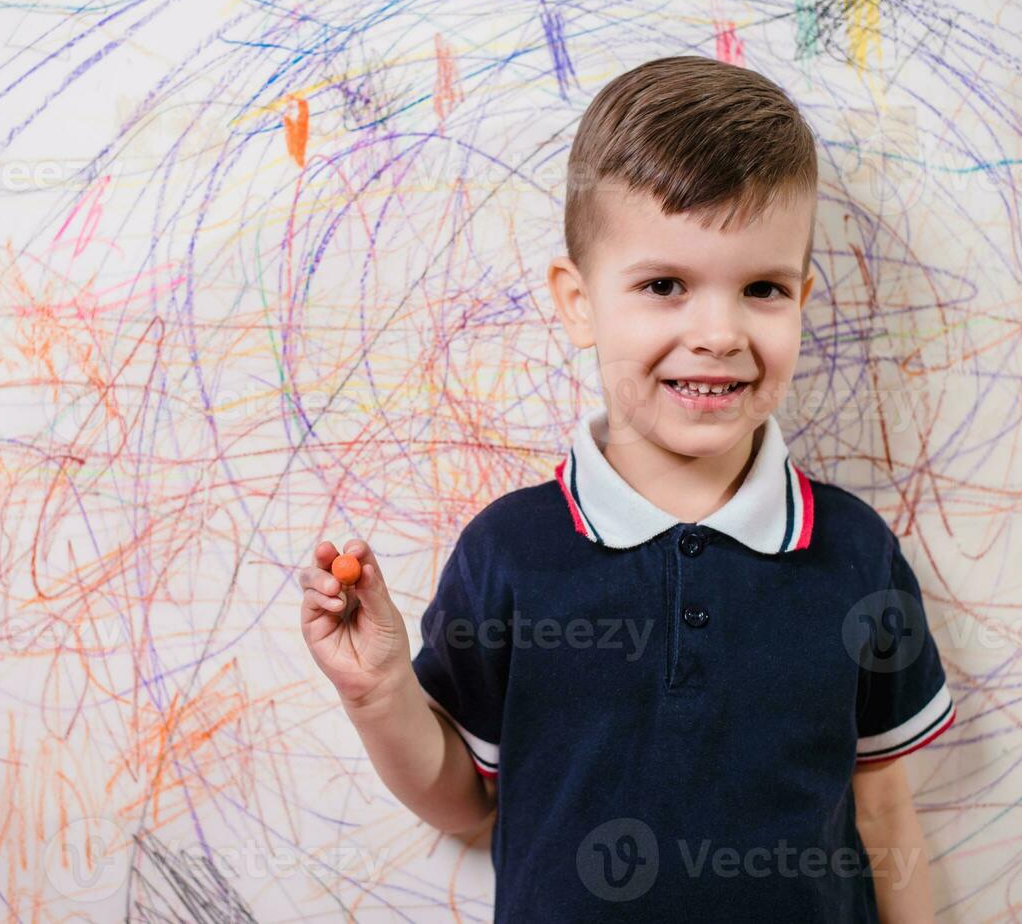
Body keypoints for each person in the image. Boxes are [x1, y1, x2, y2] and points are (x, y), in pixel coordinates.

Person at [298, 55, 956, 922]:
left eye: (761, 289)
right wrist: (381, 693)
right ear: (578, 303)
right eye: (664, 287)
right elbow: (466, 803)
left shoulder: (856, 555)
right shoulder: (510, 553)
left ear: (802, 296)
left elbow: (885, 815)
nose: (716, 334)